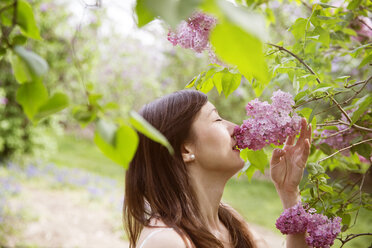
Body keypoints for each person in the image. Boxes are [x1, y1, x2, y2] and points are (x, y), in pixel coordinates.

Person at [123, 90, 312, 248]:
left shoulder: (229, 222)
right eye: (217, 120)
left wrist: (289, 193)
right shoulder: (167, 242)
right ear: (185, 149)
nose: (236, 128)